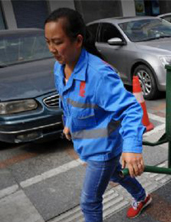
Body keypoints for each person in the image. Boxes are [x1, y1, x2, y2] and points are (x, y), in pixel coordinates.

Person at [44, 8, 151, 222]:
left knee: (90, 201)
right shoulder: (60, 67)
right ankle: (141, 196)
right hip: (88, 145)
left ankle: (140, 196)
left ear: (78, 40)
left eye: (57, 42)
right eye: (48, 42)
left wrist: (131, 148)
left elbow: (131, 108)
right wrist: (69, 123)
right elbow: (68, 101)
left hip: (104, 150)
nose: (52, 49)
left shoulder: (98, 75)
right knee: (115, 174)